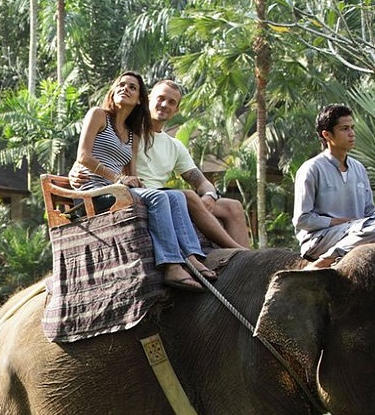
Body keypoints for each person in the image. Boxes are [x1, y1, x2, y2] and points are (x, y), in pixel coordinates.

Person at [72, 71, 213, 291]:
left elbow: (131, 173)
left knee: (175, 196)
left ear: (139, 99)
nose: (125, 89)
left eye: (132, 87)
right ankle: (171, 266)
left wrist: (134, 182)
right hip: (93, 192)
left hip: (116, 190)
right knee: (158, 197)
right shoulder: (98, 115)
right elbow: (83, 156)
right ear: (113, 90)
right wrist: (118, 178)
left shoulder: (132, 134)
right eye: (121, 84)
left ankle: (191, 257)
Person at [293, 104, 375, 269]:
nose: (352, 133)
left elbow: (370, 215)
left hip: (359, 232)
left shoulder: (359, 168)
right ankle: (325, 262)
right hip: (320, 239)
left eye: (352, 128)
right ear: (327, 135)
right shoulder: (311, 169)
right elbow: (302, 220)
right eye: (344, 129)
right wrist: (339, 222)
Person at [140, 80, 250, 249]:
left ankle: (249, 259)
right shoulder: (130, 132)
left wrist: (210, 196)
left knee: (233, 206)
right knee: (188, 196)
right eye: (160, 98)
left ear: (176, 110)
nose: (165, 105)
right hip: (143, 195)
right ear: (148, 99)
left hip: (168, 199)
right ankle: (237, 250)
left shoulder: (175, 145)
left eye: (171, 102)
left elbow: (201, 182)